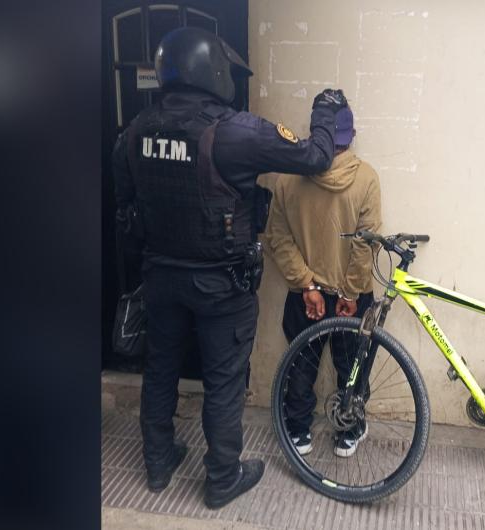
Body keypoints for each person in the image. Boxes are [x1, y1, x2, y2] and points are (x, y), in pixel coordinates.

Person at [112, 26, 348, 509]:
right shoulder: (235, 131)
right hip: (220, 283)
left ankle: (158, 465)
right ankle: (222, 477)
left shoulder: (135, 130)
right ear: (213, 72)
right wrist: (326, 111)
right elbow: (315, 156)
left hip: (159, 278)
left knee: (160, 370)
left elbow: (125, 203)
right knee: (222, 379)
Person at [264, 105, 382, 458]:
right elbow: (367, 241)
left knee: (301, 364)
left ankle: (298, 432)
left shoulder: (288, 178)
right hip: (353, 294)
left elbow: (277, 238)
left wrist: (308, 286)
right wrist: (350, 292)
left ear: (318, 135)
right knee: (352, 365)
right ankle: (350, 430)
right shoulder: (367, 178)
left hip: (305, 297)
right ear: (351, 137)